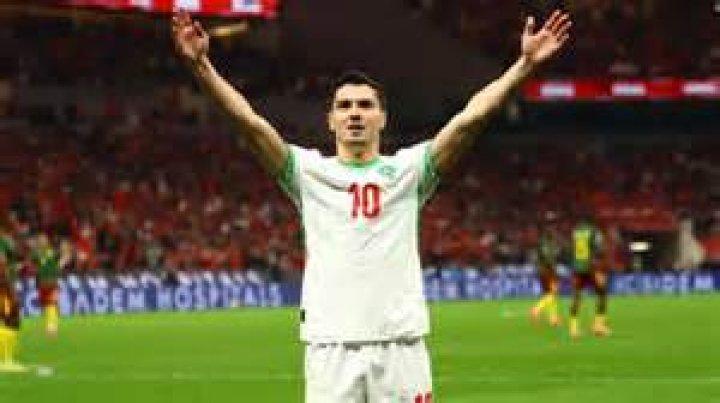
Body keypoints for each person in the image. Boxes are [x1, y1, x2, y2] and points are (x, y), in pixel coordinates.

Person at [172, 9, 571, 402]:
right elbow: (250, 124)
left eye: (365, 105)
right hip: (330, 348)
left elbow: (469, 120)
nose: (355, 114)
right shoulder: (307, 173)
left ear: (382, 118)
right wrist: (202, 67)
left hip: (400, 348)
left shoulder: (410, 171)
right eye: (345, 106)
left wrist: (523, 67)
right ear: (330, 120)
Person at [569, 215, 611, 339]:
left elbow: (571, 249)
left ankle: (573, 328)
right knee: (602, 293)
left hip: (577, 267)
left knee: (577, 295)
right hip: (592, 267)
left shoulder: (575, 232)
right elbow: (599, 249)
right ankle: (598, 326)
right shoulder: (594, 231)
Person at [30, 232, 70, 337]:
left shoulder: (51, 252)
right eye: (40, 240)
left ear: (47, 242)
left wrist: (61, 262)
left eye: (43, 240)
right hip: (43, 284)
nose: (41, 242)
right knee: (47, 305)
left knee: (51, 304)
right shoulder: (37, 254)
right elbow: (34, 267)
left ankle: (51, 327)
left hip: (50, 283)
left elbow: (65, 257)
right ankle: (51, 326)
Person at [0, 224, 25, 372]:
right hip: (4, 293)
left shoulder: (8, 264)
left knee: (11, 323)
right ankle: (5, 360)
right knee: (7, 322)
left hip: (7, 291)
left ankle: (7, 359)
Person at [530, 218, 562, 327]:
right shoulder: (545, 242)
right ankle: (536, 309)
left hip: (544, 270)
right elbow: (547, 257)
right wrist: (555, 254)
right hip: (547, 270)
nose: (553, 230)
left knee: (550, 294)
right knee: (553, 293)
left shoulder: (547, 241)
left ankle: (553, 319)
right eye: (551, 228)